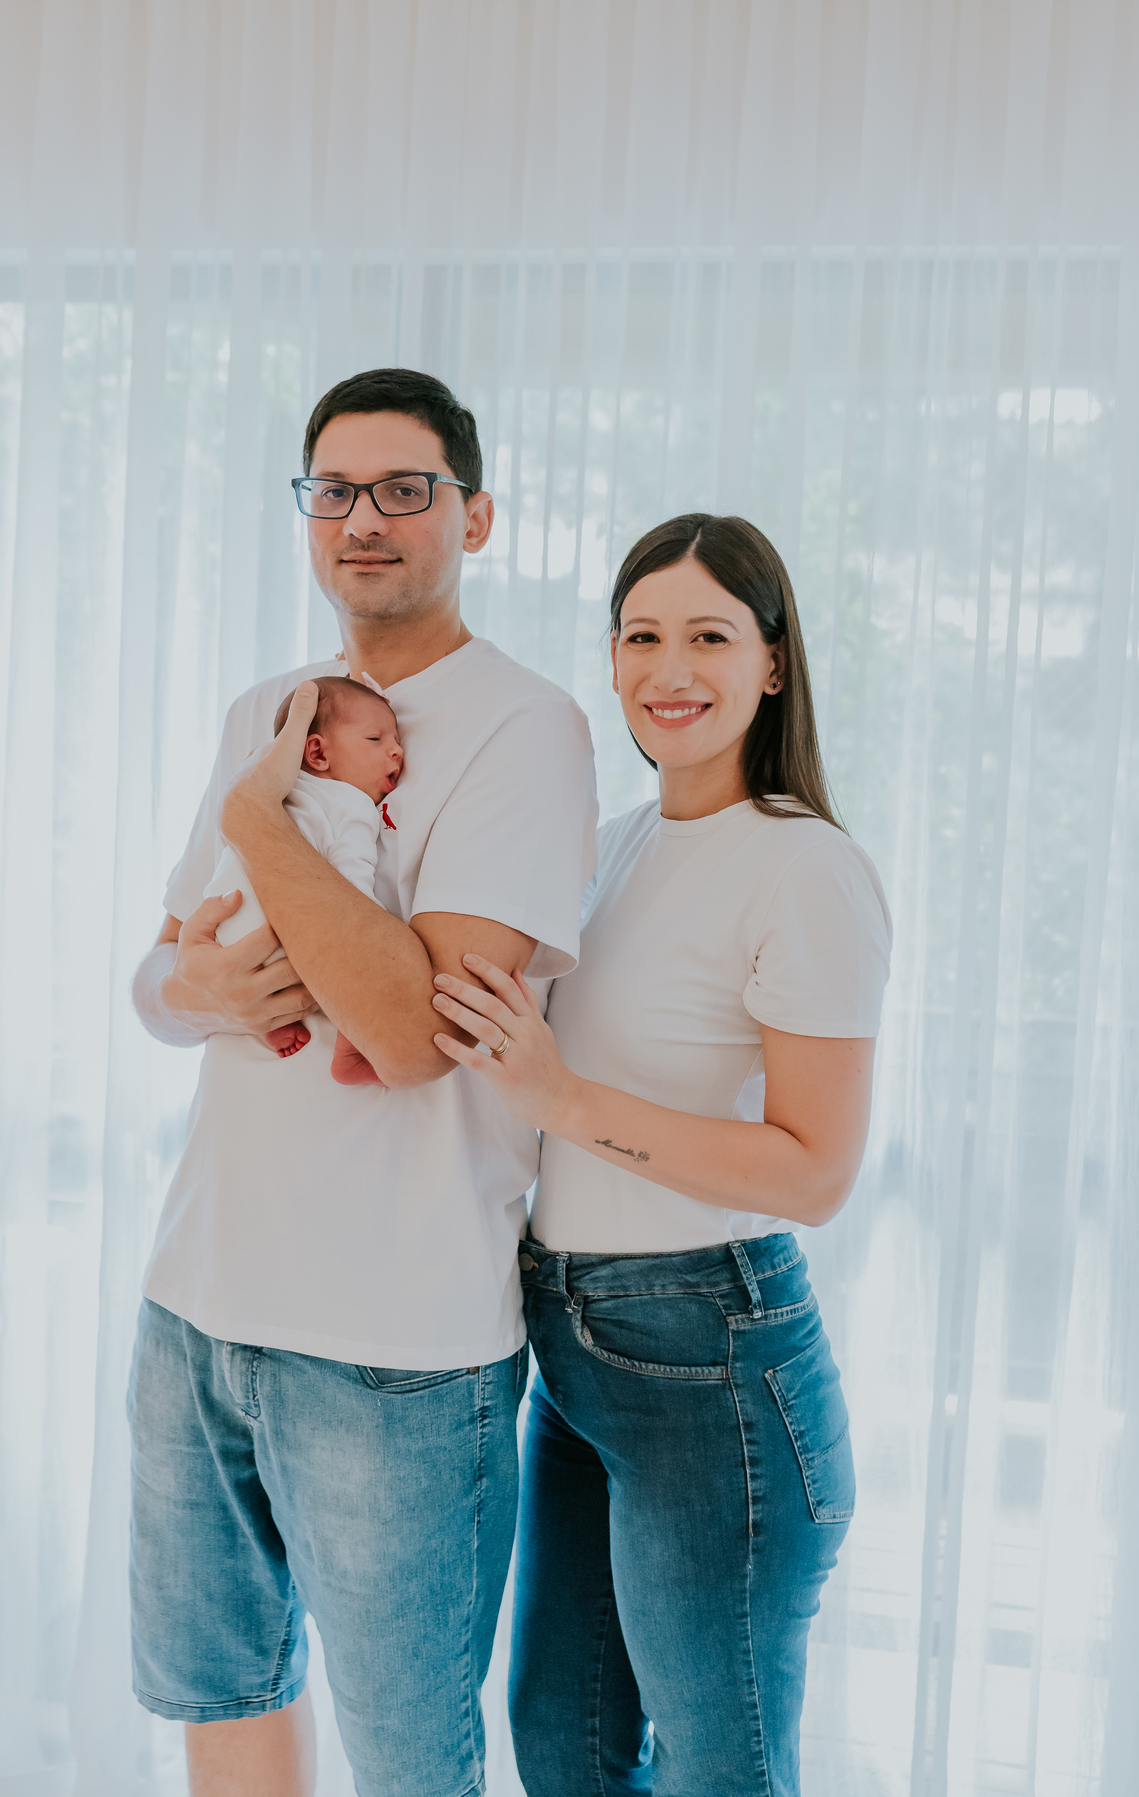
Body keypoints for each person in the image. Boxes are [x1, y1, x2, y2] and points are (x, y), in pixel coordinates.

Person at [128, 368, 597, 1797]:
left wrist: (257, 820)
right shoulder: (264, 707)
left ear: (478, 513)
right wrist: (193, 989)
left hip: (394, 1345)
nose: (365, 519)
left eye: (406, 489)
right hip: (199, 1294)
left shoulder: (528, 728)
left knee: (408, 1762)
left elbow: (403, 1035)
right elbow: (159, 980)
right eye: (333, 489)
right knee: (221, 1694)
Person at [428, 513, 892, 1796]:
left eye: (708, 636)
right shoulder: (620, 843)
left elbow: (814, 1171)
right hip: (572, 1348)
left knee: (717, 1770)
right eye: (640, 637)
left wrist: (561, 1097)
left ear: (774, 665)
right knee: (567, 1750)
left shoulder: (806, 866)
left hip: (711, 1363)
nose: (667, 669)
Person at [204, 673, 402, 1081]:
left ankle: (271, 1024)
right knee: (363, 963)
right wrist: (384, 935)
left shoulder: (273, 785)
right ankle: (352, 1049)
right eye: (375, 740)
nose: (397, 751)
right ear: (316, 751)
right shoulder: (351, 804)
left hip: (224, 925)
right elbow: (352, 884)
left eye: (396, 741)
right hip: (281, 930)